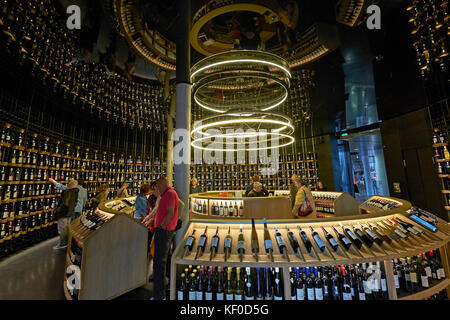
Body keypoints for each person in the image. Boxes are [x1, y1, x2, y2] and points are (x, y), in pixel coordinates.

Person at [152, 177, 179, 300]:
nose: (157, 189)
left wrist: (162, 227)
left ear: (162, 184)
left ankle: (159, 295)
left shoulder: (169, 194)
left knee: (159, 263)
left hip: (164, 232)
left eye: (157, 186)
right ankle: (163, 289)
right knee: (163, 261)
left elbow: (170, 213)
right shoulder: (168, 194)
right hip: (164, 231)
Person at [53, 179, 79, 250]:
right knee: (67, 228)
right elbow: (75, 203)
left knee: (62, 229)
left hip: (64, 213)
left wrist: (57, 210)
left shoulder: (68, 192)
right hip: (70, 213)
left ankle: (63, 244)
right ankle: (67, 242)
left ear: (69, 185)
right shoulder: (75, 192)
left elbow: (65, 204)